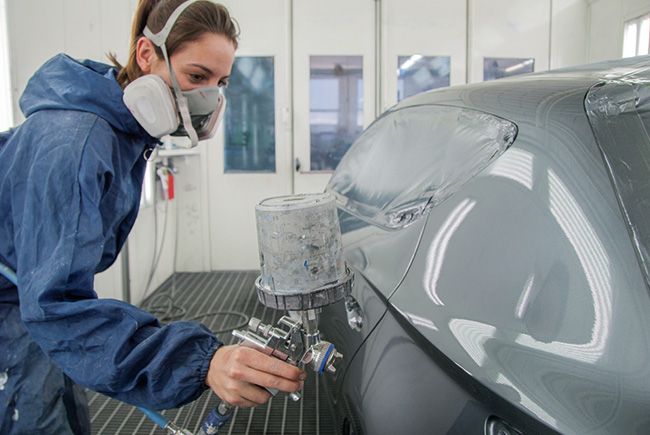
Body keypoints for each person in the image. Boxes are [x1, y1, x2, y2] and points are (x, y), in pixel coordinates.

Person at [0, 0, 304, 433]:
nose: (208, 97)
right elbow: (55, 308)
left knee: (61, 400)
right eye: (197, 77)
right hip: (15, 305)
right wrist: (203, 362)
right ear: (146, 55)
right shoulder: (77, 142)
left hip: (25, 299)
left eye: (220, 82)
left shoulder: (121, 131)